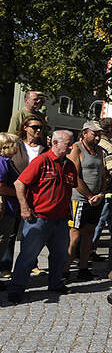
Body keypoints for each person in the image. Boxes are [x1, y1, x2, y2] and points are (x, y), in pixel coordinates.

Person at [7, 130, 77, 304]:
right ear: (55, 143)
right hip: (39, 218)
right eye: (68, 143)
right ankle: (16, 289)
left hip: (60, 219)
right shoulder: (42, 161)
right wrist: (24, 207)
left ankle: (55, 284)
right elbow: (19, 183)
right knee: (28, 256)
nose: (71, 147)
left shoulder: (69, 165)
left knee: (59, 255)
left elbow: (70, 188)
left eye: (71, 143)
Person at [1, 115, 47, 277]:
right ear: (25, 128)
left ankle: (32, 264)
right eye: (34, 127)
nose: (38, 130)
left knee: (32, 231)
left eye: (40, 127)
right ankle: (5, 266)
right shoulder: (16, 146)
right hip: (14, 195)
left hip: (34, 195)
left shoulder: (43, 148)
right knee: (10, 232)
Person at [65, 121, 107, 282]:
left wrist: (101, 193)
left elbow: (103, 175)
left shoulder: (99, 151)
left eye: (99, 134)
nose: (97, 137)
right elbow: (74, 175)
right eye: (94, 134)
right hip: (80, 198)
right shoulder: (76, 148)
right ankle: (66, 269)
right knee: (74, 235)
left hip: (96, 199)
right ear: (84, 133)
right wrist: (89, 196)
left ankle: (83, 268)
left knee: (89, 234)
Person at [91, 118, 112, 259]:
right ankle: (91, 250)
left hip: (91, 186)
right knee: (100, 221)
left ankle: (85, 250)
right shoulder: (108, 146)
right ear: (109, 130)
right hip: (105, 188)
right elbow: (111, 169)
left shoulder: (94, 143)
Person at [0, 133, 20, 289]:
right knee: (2, 240)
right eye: (15, 144)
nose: (18, 147)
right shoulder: (2, 163)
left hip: (9, 208)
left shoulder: (8, 162)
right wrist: (19, 193)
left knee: (4, 240)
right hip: (4, 208)